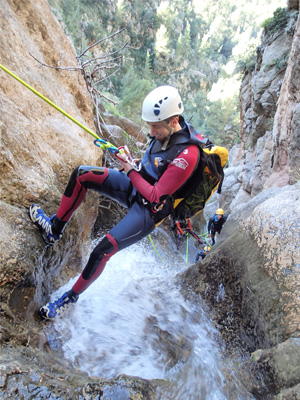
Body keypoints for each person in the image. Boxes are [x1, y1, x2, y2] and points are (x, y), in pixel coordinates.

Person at [30, 85, 211, 320]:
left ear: (174, 120)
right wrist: (132, 161)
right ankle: (54, 229)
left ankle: (70, 298)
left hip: (149, 211)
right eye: (149, 125)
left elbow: (156, 195)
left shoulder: (188, 154)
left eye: (155, 126)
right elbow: (153, 163)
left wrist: (128, 169)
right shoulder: (163, 132)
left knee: (101, 250)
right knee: (82, 174)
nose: (151, 131)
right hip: (136, 186)